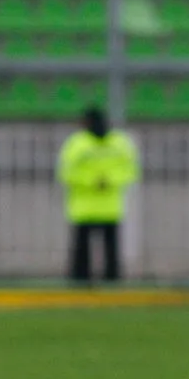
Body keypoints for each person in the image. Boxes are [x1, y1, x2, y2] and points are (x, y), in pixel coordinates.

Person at [56, 106, 140, 284]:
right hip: (99, 205)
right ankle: (101, 279)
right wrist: (103, 181)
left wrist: (99, 181)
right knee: (94, 247)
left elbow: (66, 171)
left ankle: (88, 279)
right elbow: (67, 172)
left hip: (91, 205)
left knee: (97, 247)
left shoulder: (78, 143)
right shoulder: (118, 142)